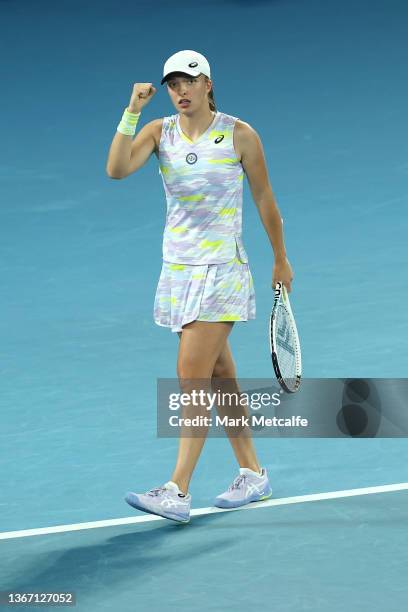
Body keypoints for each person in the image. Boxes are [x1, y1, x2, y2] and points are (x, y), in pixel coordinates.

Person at [106, 50, 293, 523]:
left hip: (222, 270)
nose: (180, 91)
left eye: (189, 82)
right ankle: (253, 473)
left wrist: (280, 259)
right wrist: (132, 112)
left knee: (190, 374)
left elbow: (265, 197)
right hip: (178, 271)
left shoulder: (238, 134)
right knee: (218, 376)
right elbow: (116, 169)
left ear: (208, 83)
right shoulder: (159, 131)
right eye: (173, 84)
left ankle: (177, 488)